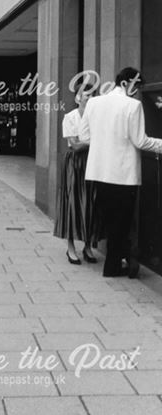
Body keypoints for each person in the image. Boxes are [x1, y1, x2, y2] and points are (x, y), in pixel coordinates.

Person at [80, 67, 162, 278]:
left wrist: (105, 142)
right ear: (126, 83)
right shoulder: (133, 106)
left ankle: (113, 265)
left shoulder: (94, 103)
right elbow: (140, 141)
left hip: (99, 172)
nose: (137, 91)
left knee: (110, 220)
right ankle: (113, 267)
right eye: (136, 86)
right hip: (123, 175)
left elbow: (84, 136)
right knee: (122, 223)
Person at [53, 80, 100, 265]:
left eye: (92, 94)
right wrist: (92, 141)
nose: (90, 98)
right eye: (86, 94)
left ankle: (88, 246)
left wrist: (86, 142)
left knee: (91, 202)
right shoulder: (70, 117)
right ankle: (71, 248)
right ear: (78, 97)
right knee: (73, 203)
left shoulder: (97, 117)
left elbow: (82, 142)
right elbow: (74, 144)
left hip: (93, 161)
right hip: (75, 164)